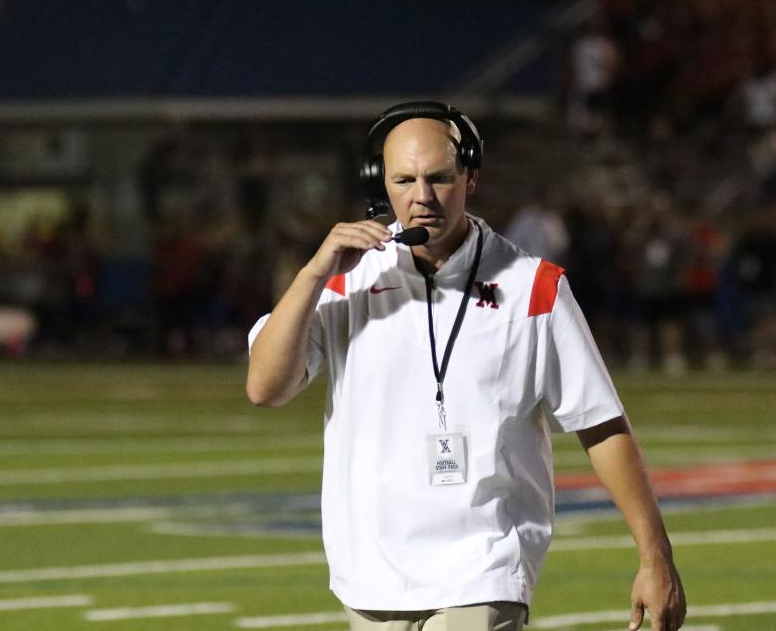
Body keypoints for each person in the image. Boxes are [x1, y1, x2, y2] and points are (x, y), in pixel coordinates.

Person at [246, 102, 686, 631]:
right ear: (378, 184)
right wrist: (313, 272)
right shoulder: (347, 279)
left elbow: (601, 423)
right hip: (370, 572)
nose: (422, 197)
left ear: (470, 176)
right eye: (404, 180)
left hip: (484, 566)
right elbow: (265, 387)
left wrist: (654, 555)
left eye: (439, 178)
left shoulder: (534, 287)